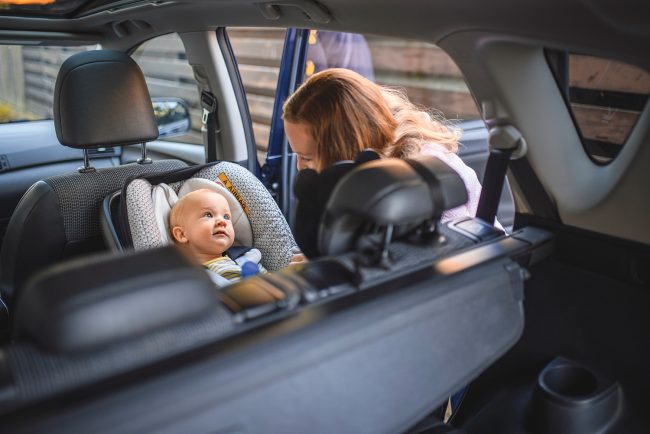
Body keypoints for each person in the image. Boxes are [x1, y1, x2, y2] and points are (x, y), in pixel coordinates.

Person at [282, 68, 483, 222]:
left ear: (344, 145)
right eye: (297, 155)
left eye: (307, 157)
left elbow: (445, 257)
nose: (300, 167)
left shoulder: (423, 176)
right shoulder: (358, 171)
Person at [169, 188, 266, 285]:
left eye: (226, 217)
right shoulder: (188, 279)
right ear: (182, 234)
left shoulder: (248, 257)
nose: (222, 221)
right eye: (208, 215)